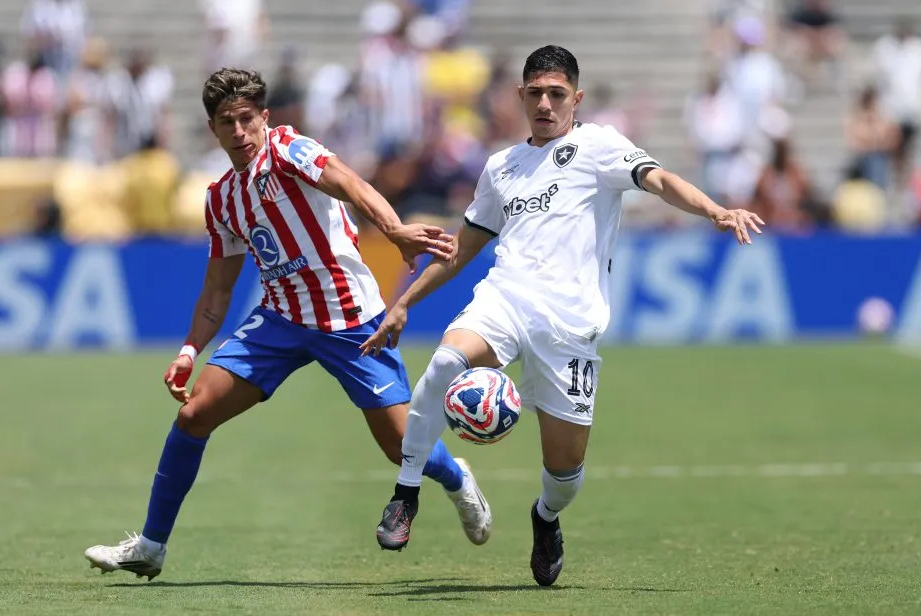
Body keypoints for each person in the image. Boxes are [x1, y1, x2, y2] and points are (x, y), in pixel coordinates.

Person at [362, 45, 764, 586]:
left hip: (570, 328)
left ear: (576, 98)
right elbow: (462, 249)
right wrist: (404, 302)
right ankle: (405, 495)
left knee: (565, 476)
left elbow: (660, 180)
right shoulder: (500, 167)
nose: (545, 104)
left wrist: (714, 209)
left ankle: (545, 517)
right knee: (442, 365)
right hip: (504, 298)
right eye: (535, 94)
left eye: (556, 94)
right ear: (519, 97)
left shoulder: (599, 146)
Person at [84, 68, 492, 581]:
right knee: (194, 415)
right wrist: (190, 350)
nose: (239, 131)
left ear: (264, 118)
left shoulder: (289, 149)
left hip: (350, 319)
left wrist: (393, 230)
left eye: (246, 119)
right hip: (280, 320)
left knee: (399, 446)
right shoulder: (221, 199)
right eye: (226, 122)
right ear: (213, 129)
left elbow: (349, 182)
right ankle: (151, 544)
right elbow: (217, 290)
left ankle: (455, 475)